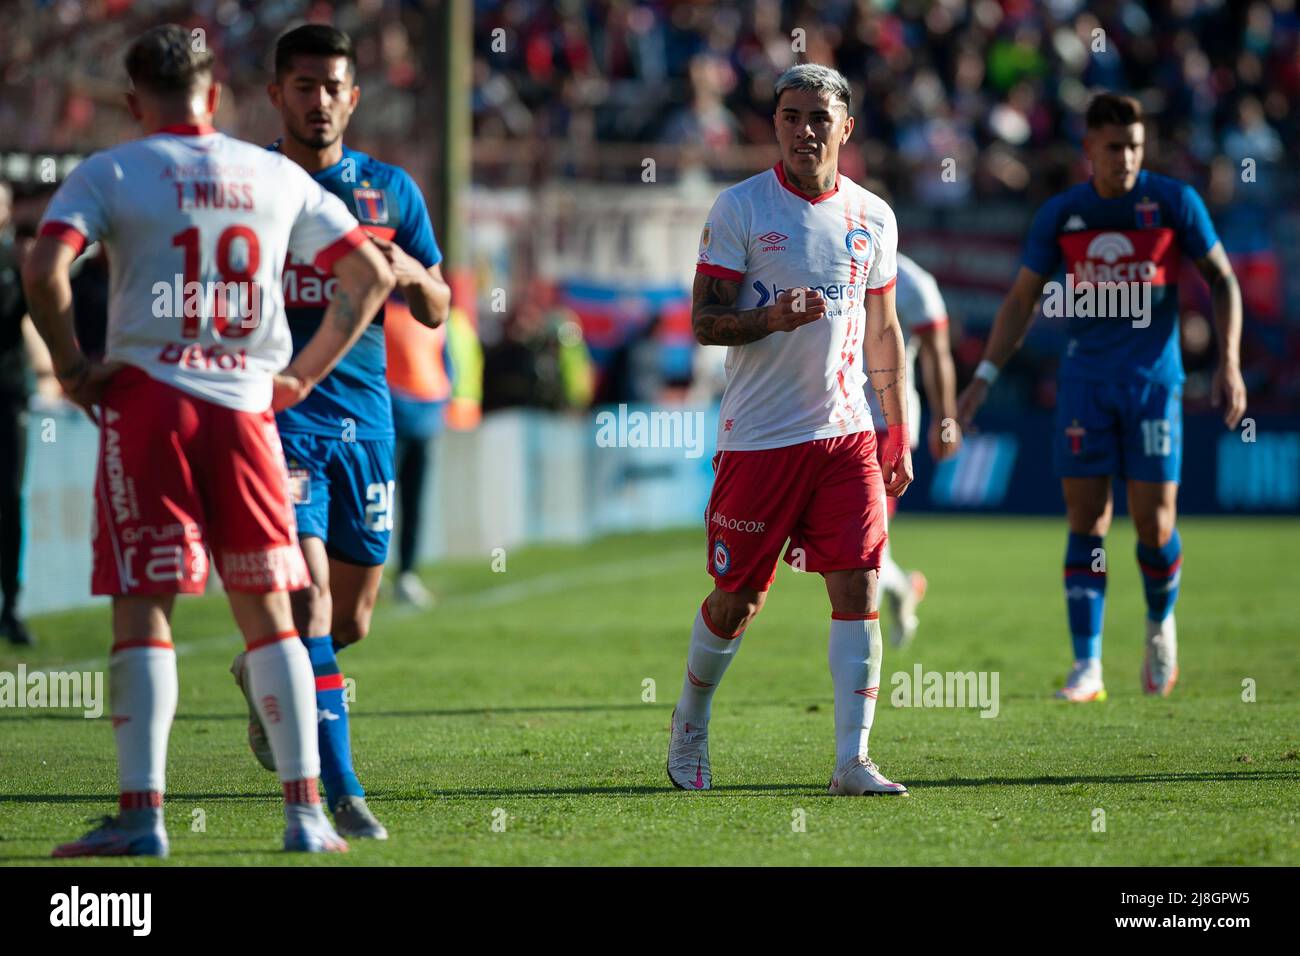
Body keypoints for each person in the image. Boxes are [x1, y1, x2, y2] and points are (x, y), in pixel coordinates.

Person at [22, 24, 395, 856]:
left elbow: (44, 268)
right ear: (216, 95)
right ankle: (305, 817)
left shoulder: (111, 171)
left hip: (150, 402)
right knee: (272, 618)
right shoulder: (269, 173)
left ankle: (143, 818)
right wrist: (300, 375)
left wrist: (74, 366)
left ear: (132, 100)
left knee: (142, 613)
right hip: (246, 410)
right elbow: (367, 276)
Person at [667, 64, 914, 797]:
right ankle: (690, 720)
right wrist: (769, 318)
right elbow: (706, 322)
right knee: (737, 598)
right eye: (789, 117)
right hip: (759, 439)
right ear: (774, 125)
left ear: (846, 127)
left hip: (844, 435)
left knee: (860, 579)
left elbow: (884, 328)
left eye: (817, 118)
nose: (803, 131)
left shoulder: (874, 216)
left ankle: (851, 760)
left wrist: (894, 427)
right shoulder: (741, 208)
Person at [229, 24, 449, 840]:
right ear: (276, 94)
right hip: (278, 421)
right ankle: (338, 790)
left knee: (351, 620)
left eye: (333, 88)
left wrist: (405, 274)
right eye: (303, 85)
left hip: (367, 424)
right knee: (310, 600)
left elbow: (439, 306)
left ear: (353, 98)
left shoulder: (390, 193)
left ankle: (265, 671)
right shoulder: (248, 186)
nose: (318, 101)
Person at [957, 92, 1246, 702]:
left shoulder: (1174, 203)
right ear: (1090, 149)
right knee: (1087, 522)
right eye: (1115, 147)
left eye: (1136, 147)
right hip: (1085, 385)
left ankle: (1159, 620)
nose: (1127, 158)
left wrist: (1229, 362)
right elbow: (1020, 303)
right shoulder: (1063, 216)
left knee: (1153, 523)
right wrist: (982, 377)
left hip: (1153, 385)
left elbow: (1223, 280)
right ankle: (1087, 665)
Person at [865, 252, 962, 648]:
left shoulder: (914, 282)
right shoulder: (829, 261)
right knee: (838, 543)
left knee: (863, 542)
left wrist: (947, 419)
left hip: (887, 421)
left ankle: (860, 682)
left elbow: (938, 354)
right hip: (829, 416)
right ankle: (902, 585)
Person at [385, 300, 452, 607]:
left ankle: (407, 573)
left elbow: (445, 367)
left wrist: (440, 406)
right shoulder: (384, 311)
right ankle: (364, 571)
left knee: (414, 504)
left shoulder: (435, 316)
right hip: (391, 420)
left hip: (425, 421)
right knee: (379, 501)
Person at [0, 191, 37, 646]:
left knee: (10, 499)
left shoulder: (19, 259)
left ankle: (12, 606)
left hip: (9, 394)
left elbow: (44, 314)